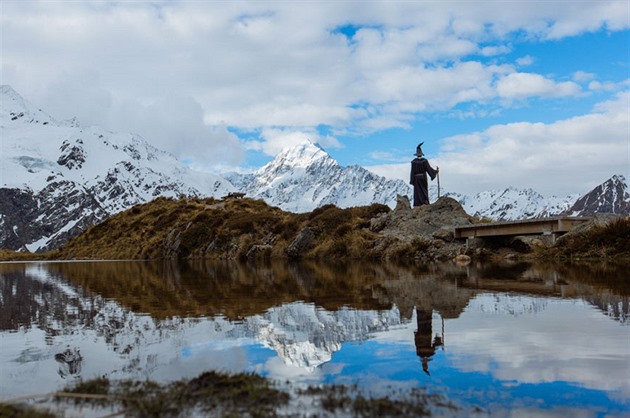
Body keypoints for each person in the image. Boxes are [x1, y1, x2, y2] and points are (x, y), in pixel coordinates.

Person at [410, 142, 439, 207]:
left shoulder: (413, 162)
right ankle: (424, 202)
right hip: (423, 178)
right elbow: (429, 169)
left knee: (417, 191)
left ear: (416, 154)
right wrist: (435, 172)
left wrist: (412, 180)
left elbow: (412, 171)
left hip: (416, 179)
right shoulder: (424, 161)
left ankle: (417, 204)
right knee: (424, 190)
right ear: (421, 154)